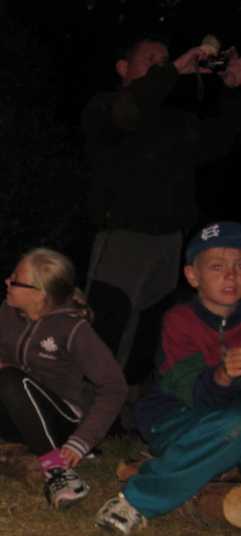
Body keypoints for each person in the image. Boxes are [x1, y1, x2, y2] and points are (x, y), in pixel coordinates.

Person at [82, 35, 241, 380]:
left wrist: (232, 90)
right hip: (124, 235)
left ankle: (129, 402)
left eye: (164, 61)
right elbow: (127, 114)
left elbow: (219, 141)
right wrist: (170, 71)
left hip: (169, 240)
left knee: (149, 328)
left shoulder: (174, 120)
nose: (160, 67)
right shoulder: (106, 106)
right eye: (149, 60)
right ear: (123, 67)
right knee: (107, 320)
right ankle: (88, 399)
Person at [0, 248, 127, 508]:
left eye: (15, 280)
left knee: (9, 378)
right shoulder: (10, 311)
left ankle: (57, 470)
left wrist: (82, 441)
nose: (7, 282)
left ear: (39, 295)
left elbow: (114, 387)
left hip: (57, 422)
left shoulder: (73, 328)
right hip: (14, 419)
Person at [96, 223, 241, 536]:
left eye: (240, 266)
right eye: (217, 266)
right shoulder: (180, 320)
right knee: (236, 423)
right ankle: (137, 500)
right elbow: (190, 394)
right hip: (176, 420)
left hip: (227, 425)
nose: (232, 276)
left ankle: (215, 464)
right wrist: (223, 375)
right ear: (192, 275)